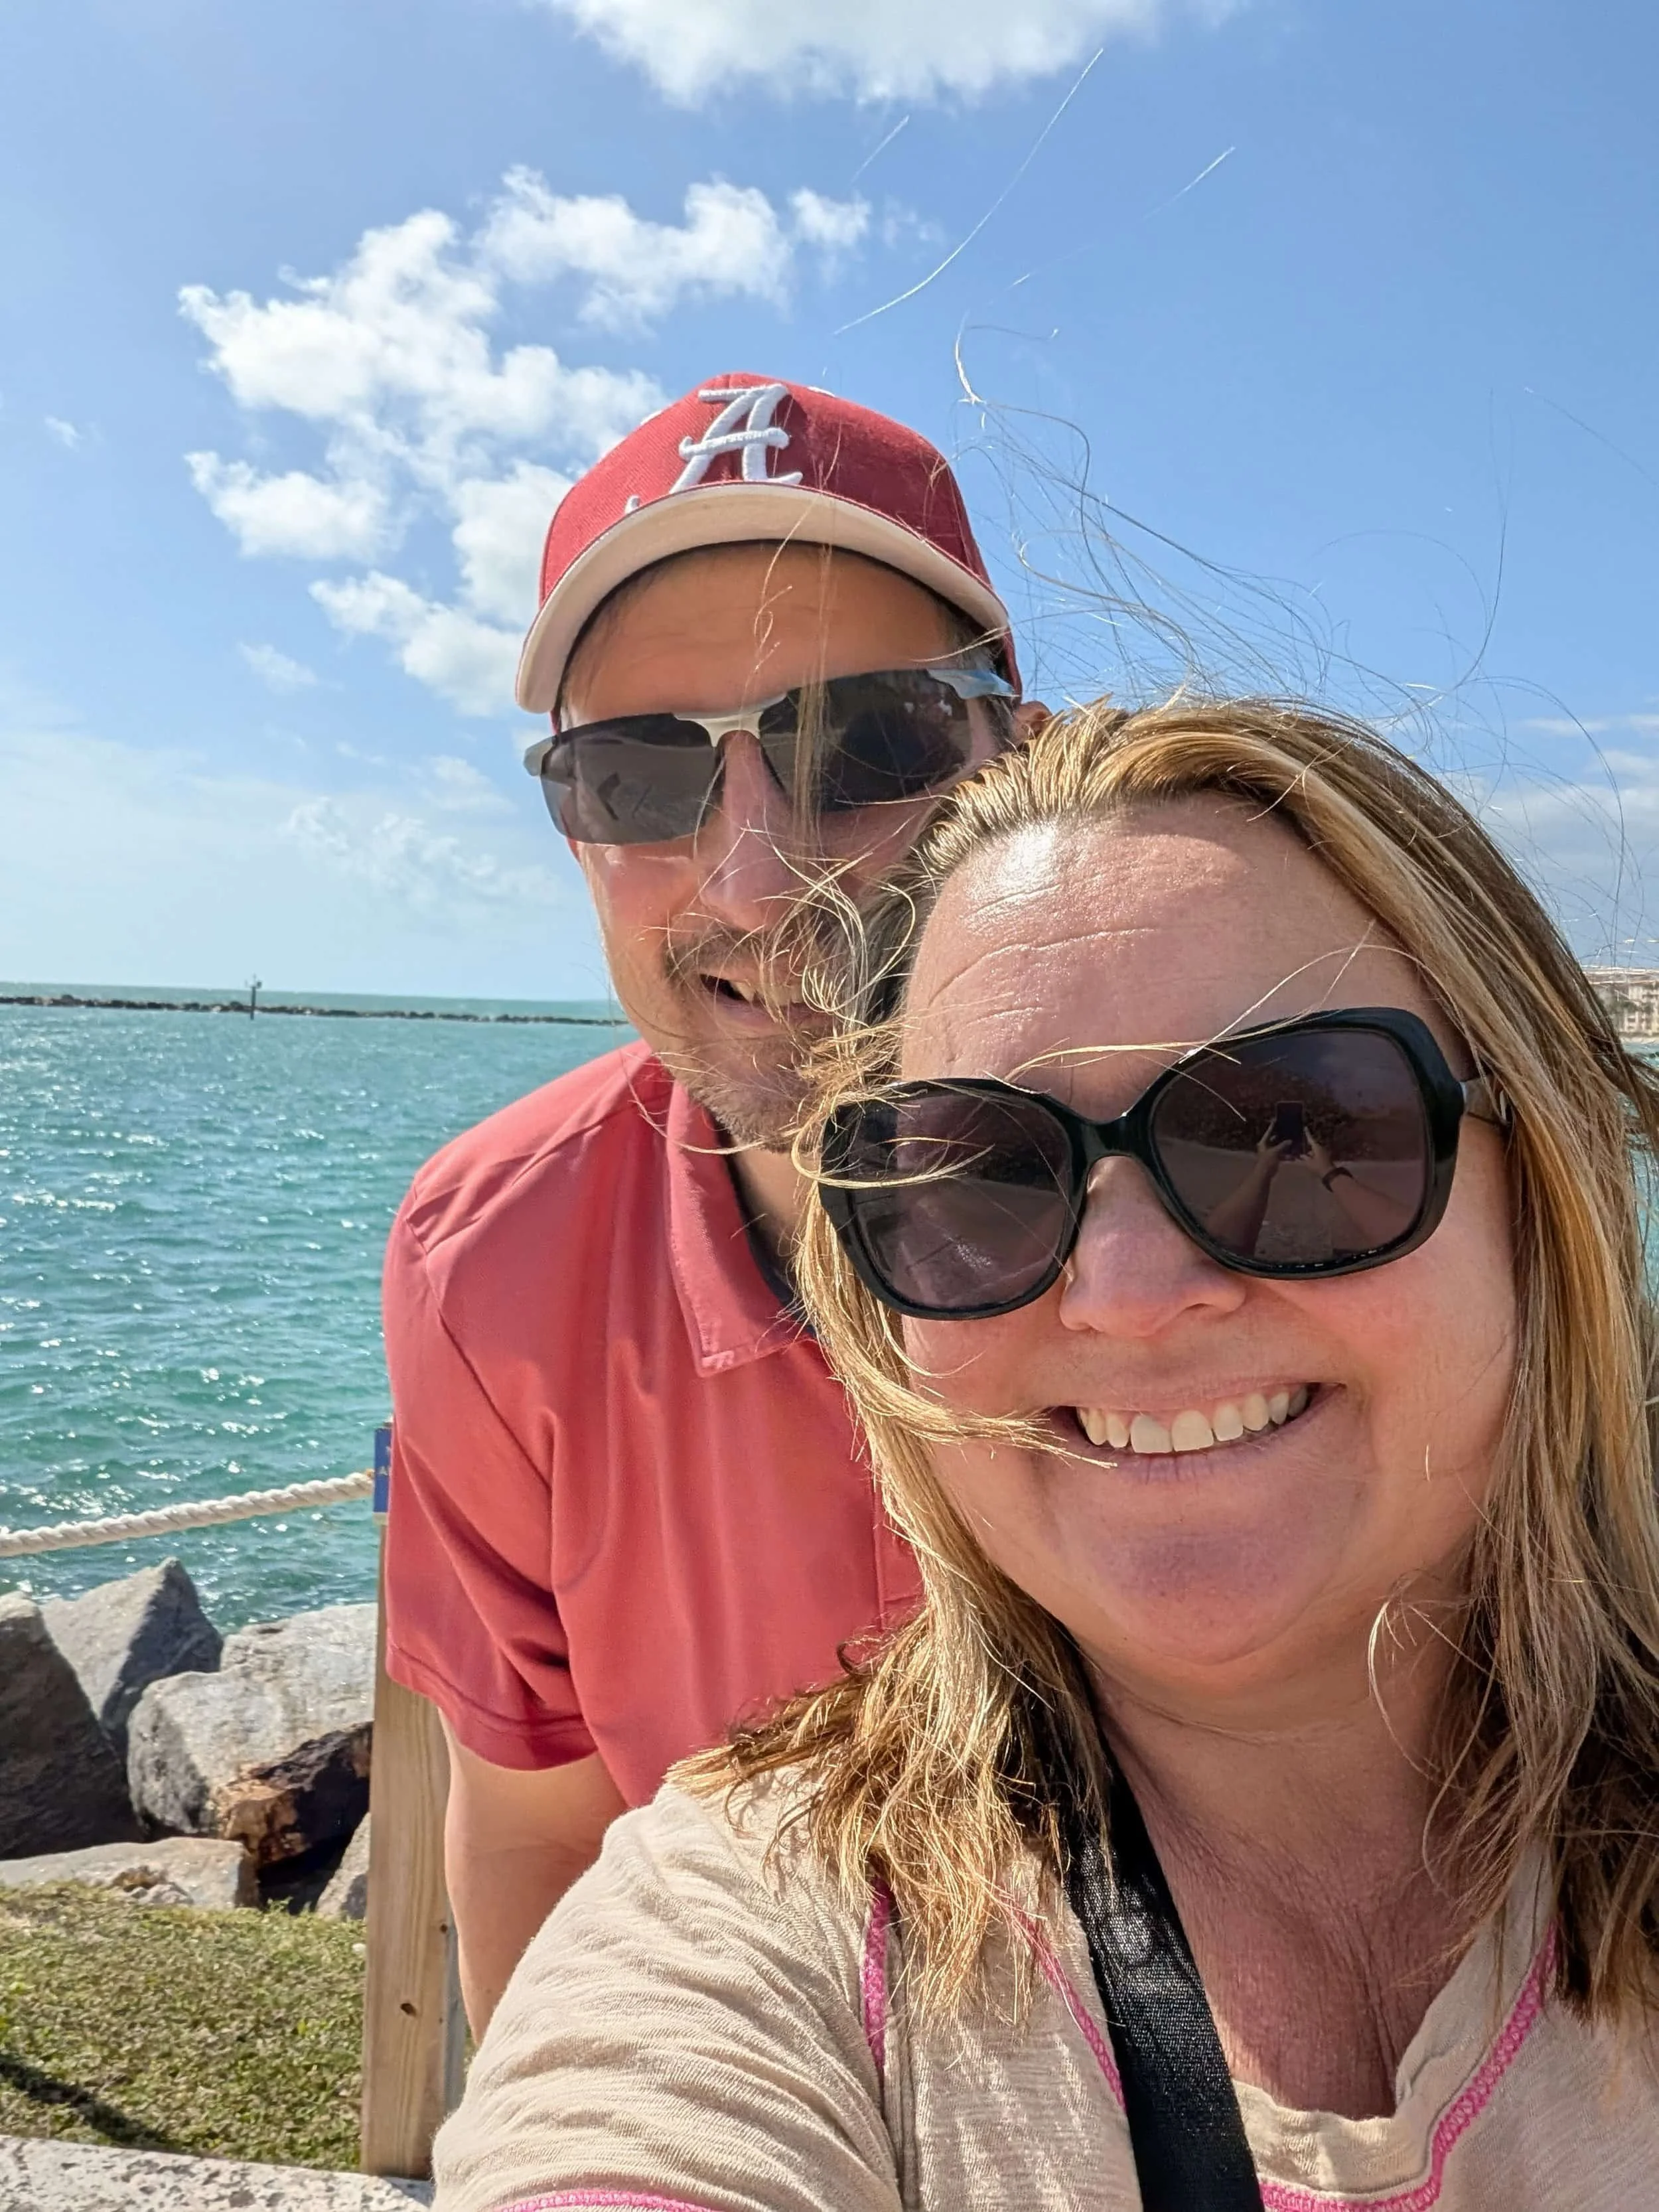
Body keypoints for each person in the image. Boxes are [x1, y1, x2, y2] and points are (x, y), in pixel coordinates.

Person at [435, 696, 1659, 2209]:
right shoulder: (751, 1932)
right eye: (978, 1173)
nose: (1128, 1297)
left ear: (1542, 1190)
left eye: (1292, 1130)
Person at [381, 371, 1041, 2030]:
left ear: (1019, 763)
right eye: (638, 778)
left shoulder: (1276, 1181)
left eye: (866, 742)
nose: (754, 879)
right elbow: (537, 1817)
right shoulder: (493, 1263)